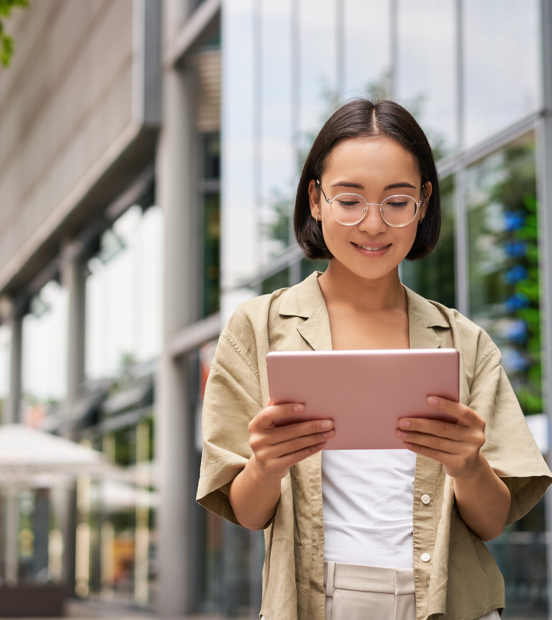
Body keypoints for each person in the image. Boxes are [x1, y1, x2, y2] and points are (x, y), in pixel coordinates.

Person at [196, 99, 552, 620]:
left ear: (424, 203)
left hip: (453, 602)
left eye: (397, 201)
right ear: (316, 200)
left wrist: (469, 464)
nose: (372, 224)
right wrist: (267, 465)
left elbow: (493, 521)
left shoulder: (465, 341)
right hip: (321, 602)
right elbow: (250, 515)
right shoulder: (257, 329)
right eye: (349, 199)